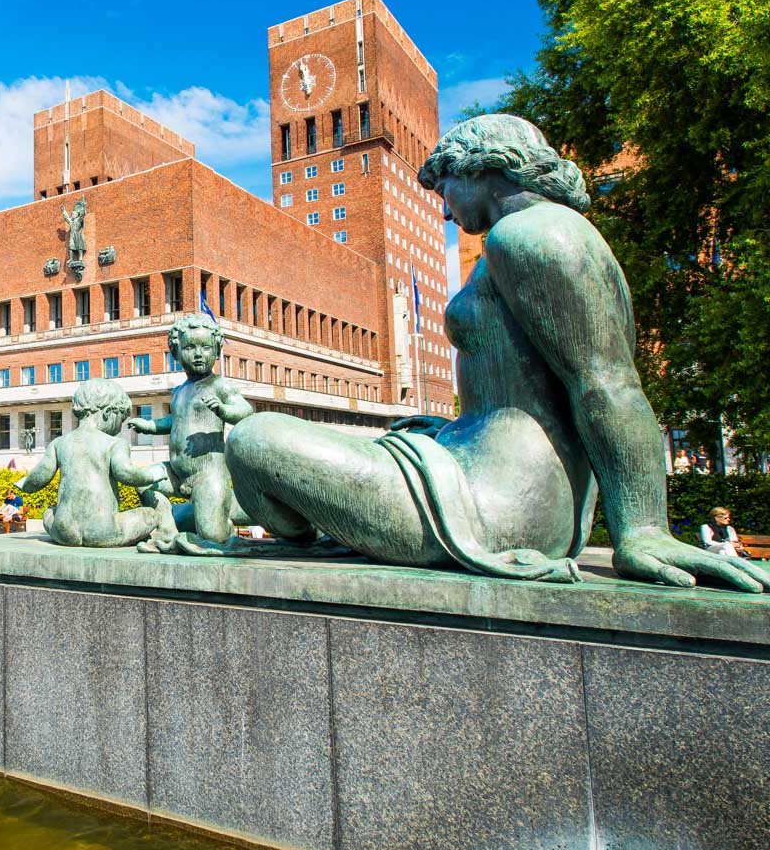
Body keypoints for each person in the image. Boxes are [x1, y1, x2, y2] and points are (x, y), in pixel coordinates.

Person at [225, 114, 770, 593]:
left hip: (494, 503)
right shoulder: (540, 234)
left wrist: (644, 530)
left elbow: (608, 383)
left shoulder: (531, 236)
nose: (444, 213)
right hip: (479, 474)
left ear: (483, 170)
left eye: (446, 192)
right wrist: (449, 426)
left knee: (254, 438)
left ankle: (305, 534)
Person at [128, 313, 253, 543]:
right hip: (176, 473)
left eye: (206, 348)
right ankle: (167, 526)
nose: (198, 354)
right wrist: (148, 425)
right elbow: (173, 421)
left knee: (212, 536)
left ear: (216, 351)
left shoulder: (220, 386)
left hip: (208, 474)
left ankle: (234, 511)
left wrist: (224, 411)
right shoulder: (178, 391)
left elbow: (246, 411)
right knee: (143, 480)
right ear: (176, 352)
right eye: (190, 347)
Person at [14, 379, 177, 548]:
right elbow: (126, 474)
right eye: (120, 420)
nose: (119, 428)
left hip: (64, 531)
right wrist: (153, 474)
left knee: (49, 513)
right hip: (105, 531)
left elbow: (39, 476)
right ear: (108, 413)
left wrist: (24, 484)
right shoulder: (114, 443)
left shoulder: (59, 443)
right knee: (151, 515)